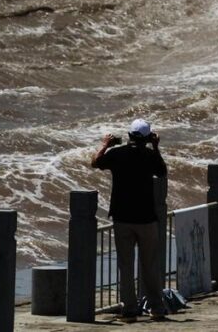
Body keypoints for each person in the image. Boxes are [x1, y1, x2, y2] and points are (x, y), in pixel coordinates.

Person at [91, 118, 167, 322]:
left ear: (130, 135)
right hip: (146, 218)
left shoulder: (117, 154)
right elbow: (162, 172)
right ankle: (156, 307)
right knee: (149, 264)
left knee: (125, 265)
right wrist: (156, 146)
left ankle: (129, 308)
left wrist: (106, 144)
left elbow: (95, 162)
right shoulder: (150, 155)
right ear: (147, 137)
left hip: (122, 218)